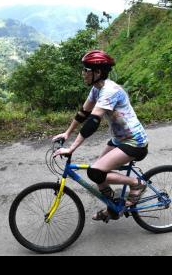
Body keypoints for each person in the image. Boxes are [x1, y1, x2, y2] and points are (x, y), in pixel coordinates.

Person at [52, 49, 149, 221]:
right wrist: (67, 133)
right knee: (97, 171)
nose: (83, 73)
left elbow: (93, 122)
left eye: (86, 70)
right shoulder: (97, 89)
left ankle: (137, 184)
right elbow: (83, 113)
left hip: (135, 142)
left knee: (96, 172)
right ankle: (113, 208)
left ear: (97, 72)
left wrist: (71, 148)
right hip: (120, 139)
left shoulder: (109, 91)